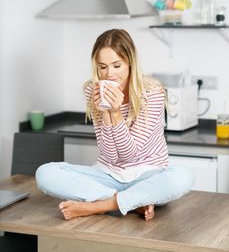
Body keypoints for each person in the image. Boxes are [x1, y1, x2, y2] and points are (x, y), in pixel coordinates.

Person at [36, 29, 194, 221]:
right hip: (107, 175)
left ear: (130, 62)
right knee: (45, 173)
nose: (109, 74)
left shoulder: (152, 93)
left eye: (116, 65)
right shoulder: (92, 91)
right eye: (102, 67)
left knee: (182, 176)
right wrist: (105, 111)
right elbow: (110, 155)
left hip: (147, 176)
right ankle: (132, 203)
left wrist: (116, 113)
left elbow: (131, 155)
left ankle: (98, 206)